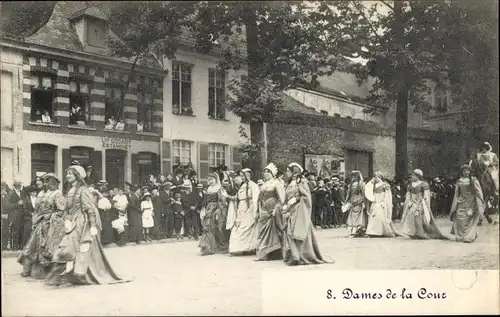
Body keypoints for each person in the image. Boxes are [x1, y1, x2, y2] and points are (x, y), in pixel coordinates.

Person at [46, 165, 128, 286]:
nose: (67, 175)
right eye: (67, 173)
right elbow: (68, 209)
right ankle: (67, 274)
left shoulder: (83, 190)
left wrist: (93, 225)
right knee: (67, 247)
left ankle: (73, 274)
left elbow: (89, 209)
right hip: (71, 222)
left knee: (74, 247)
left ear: (77, 176)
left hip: (81, 223)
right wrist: (67, 220)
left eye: (71, 173)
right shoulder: (70, 190)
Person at [18, 173, 65, 279]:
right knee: (33, 245)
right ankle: (29, 270)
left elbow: (61, 210)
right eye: (45, 181)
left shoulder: (57, 193)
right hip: (40, 222)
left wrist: (50, 216)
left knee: (48, 248)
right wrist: (36, 219)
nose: (46, 183)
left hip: (51, 224)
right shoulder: (44, 193)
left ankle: (49, 272)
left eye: (48, 181)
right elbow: (38, 209)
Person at [281, 163, 330, 266]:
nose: (286, 173)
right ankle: (294, 255)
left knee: (297, 232)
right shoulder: (290, 183)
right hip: (291, 210)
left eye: (288, 171)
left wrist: (296, 199)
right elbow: (286, 196)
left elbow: (306, 196)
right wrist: (286, 204)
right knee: (290, 232)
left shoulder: (302, 181)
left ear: (294, 172)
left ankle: (301, 255)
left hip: (299, 210)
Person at [400, 169, 449, 240]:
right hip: (412, 203)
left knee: (419, 219)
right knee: (411, 218)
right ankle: (413, 233)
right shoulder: (410, 185)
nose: (412, 177)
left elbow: (426, 196)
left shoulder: (423, 184)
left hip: (421, 203)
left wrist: (425, 204)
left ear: (418, 176)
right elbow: (408, 195)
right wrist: (408, 202)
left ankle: (421, 233)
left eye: (413, 175)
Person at [256, 163, 285, 261]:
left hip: (273, 210)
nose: (266, 174)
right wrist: (258, 210)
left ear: (273, 173)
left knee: (275, 231)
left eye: (268, 172)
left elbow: (282, 198)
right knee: (263, 231)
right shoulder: (263, 184)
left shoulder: (277, 183)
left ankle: (275, 253)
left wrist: (276, 209)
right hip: (264, 210)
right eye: (264, 172)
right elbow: (259, 199)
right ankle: (264, 253)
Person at [228, 168, 260, 256]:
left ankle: (246, 248)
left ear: (248, 176)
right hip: (241, 209)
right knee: (238, 226)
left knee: (246, 227)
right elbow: (237, 197)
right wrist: (227, 196)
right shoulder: (242, 186)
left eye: (243, 176)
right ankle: (237, 248)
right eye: (241, 176)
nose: (241, 177)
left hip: (248, 208)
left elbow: (255, 198)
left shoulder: (253, 185)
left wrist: (253, 210)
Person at [449, 165, 485, 243]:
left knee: (469, 219)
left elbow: (478, 191)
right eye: (464, 170)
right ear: (462, 172)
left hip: (471, 202)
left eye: (468, 170)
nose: (466, 172)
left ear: (470, 171)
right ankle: (460, 236)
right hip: (461, 201)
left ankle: (468, 236)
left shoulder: (473, 180)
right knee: (460, 219)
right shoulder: (459, 181)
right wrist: (456, 202)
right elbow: (457, 193)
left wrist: (481, 200)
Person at [198, 172, 228, 255]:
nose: (210, 181)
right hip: (208, 208)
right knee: (207, 227)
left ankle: (220, 246)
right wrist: (203, 208)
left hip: (216, 208)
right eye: (209, 180)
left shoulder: (219, 188)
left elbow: (221, 200)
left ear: (216, 179)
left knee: (215, 227)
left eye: (212, 179)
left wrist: (218, 211)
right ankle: (207, 247)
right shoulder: (208, 189)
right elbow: (205, 200)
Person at [364, 172, 398, 237]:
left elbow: (387, 195)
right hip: (375, 202)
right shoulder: (374, 185)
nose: (374, 178)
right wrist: (371, 181)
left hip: (381, 203)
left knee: (380, 217)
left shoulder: (385, 185)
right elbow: (367, 189)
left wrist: (384, 202)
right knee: (373, 217)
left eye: (376, 177)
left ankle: (380, 232)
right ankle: (372, 232)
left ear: (379, 177)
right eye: (374, 177)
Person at [345, 170, 367, 238]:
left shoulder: (351, 184)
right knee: (358, 215)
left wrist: (346, 201)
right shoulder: (361, 184)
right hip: (358, 200)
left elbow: (348, 194)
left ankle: (356, 230)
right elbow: (363, 193)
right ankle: (356, 230)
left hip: (353, 200)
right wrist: (363, 201)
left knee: (354, 215)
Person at [8, 180, 24, 250]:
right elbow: (8, 206)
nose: (20, 187)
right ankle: (14, 247)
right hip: (14, 215)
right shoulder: (11, 193)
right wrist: (18, 204)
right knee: (15, 231)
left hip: (21, 215)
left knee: (20, 230)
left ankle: (19, 246)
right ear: (15, 186)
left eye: (20, 185)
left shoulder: (21, 192)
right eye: (18, 185)